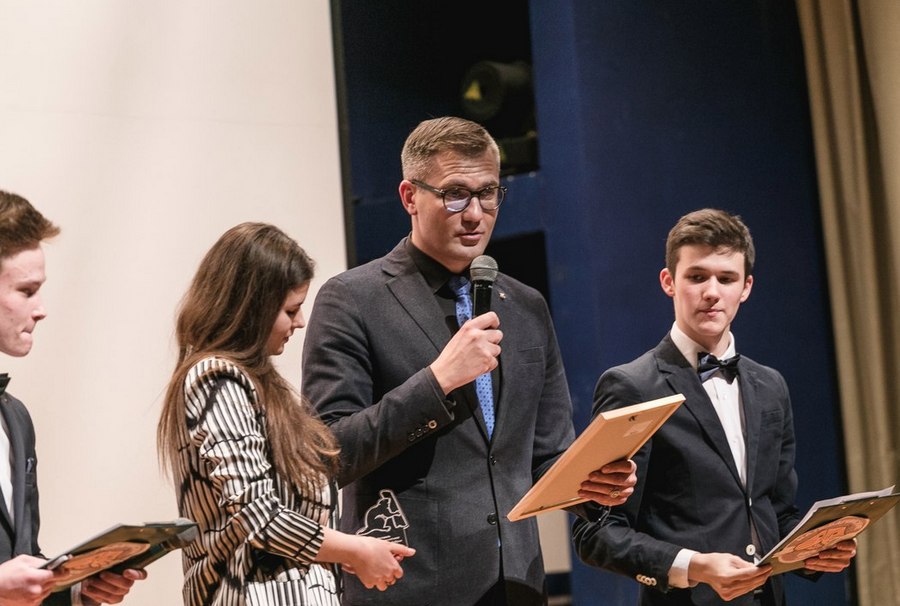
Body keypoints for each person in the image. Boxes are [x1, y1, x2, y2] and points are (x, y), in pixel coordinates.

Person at [301, 116, 637, 606]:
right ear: (409, 197)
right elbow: (329, 454)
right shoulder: (352, 299)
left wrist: (590, 484)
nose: (475, 214)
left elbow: (546, 454)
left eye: (488, 193)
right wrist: (437, 381)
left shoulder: (526, 306)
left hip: (518, 584)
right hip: (411, 586)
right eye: (455, 194)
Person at [572, 209, 857, 605]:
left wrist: (815, 549)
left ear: (746, 287)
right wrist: (695, 566)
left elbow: (775, 512)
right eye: (697, 277)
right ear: (669, 282)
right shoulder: (632, 386)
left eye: (726, 279)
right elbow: (595, 531)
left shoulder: (770, 386)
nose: (711, 292)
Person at [157, 223, 415, 606]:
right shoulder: (216, 379)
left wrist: (339, 551)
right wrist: (354, 549)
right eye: (290, 310)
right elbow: (259, 516)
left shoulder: (259, 385)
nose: (301, 321)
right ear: (251, 308)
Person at [0, 190, 146, 605]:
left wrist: (78, 589)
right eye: (27, 291)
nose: (41, 309)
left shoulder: (15, 418)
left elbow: (21, 560)